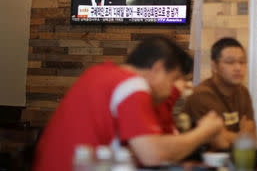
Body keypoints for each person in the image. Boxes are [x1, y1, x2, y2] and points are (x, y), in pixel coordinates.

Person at [33, 36, 223, 171]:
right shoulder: (132, 84)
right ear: (157, 69)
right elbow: (152, 154)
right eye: (173, 79)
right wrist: (204, 132)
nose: (170, 89)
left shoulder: (96, 73)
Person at [183, 38, 256, 150]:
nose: (238, 68)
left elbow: (253, 138)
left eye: (242, 62)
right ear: (214, 66)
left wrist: (232, 136)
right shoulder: (201, 95)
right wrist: (243, 134)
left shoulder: (243, 92)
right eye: (230, 62)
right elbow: (220, 143)